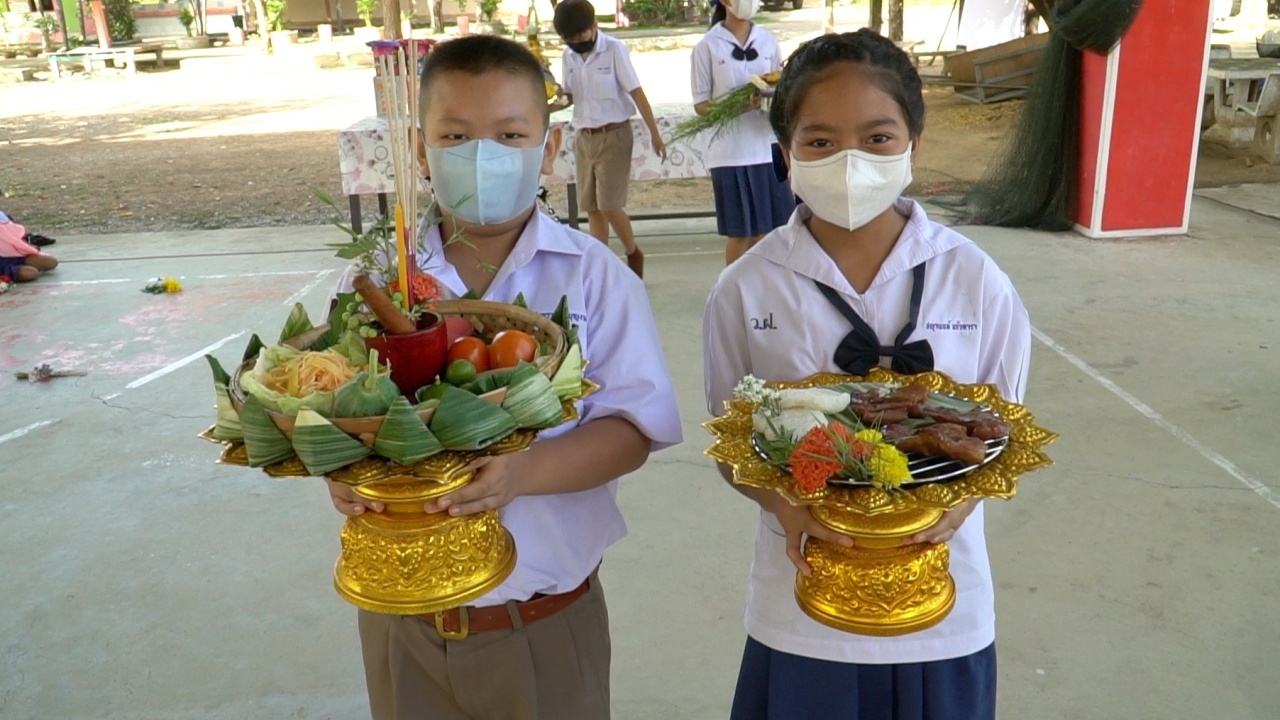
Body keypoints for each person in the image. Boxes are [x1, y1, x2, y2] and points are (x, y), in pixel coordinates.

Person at [326, 36, 683, 720]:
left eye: (510, 134)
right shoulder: (374, 284)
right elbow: (335, 407)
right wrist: (342, 472)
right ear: (420, 151)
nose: (482, 154)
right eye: (455, 135)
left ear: (547, 152)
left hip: (541, 626)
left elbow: (634, 429)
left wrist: (521, 474)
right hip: (403, 618)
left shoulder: (593, 275)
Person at [702, 31, 1031, 720]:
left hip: (943, 599)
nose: (850, 162)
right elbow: (733, 447)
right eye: (820, 142)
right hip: (800, 603)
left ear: (915, 139)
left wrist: (955, 508)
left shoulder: (975, 280)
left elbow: (1001, 439)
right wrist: (787, 509)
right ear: (784, 153)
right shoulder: (746, 287)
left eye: (878, 138)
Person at [553, 0, 667, 278]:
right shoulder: (568, 55)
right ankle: (600, 264)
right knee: (591, 207)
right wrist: (548, 104)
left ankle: (632, 252)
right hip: (584, 137)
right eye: (570, 39)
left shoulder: (614, 50)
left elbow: (637, 92)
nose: (576, 43)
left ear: (594, 26)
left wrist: (655, 133)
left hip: (614, 134)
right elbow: (568, 96)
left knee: (609, 204)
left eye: (580, 36)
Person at [691, 0, 795, 264]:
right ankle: (732, 295)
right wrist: (736, 107)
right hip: (730, 154)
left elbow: (779, 83)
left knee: (772, 232)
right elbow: (701, 104)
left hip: (766, 148)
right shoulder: (707, 46)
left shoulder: (768, 41)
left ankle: (767, 294)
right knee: (741, 234)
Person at [0, 211, 58, 282]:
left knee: (51, 262)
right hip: (2, 262)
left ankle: (20, 266)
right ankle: (7, 273)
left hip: (15, 254)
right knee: (31, 273)